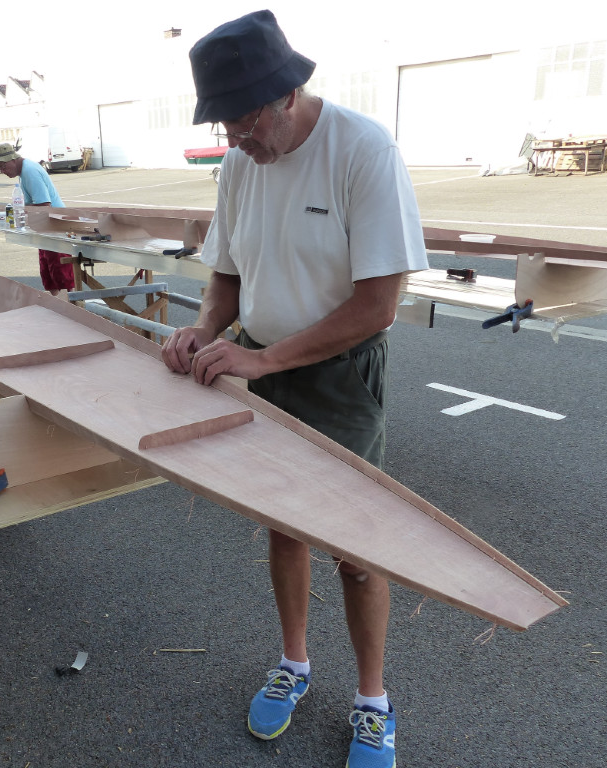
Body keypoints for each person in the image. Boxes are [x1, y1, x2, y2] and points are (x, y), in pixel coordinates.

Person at [160, 10, 428, 768]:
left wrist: (265, 360)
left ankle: (373, 703)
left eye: (242, 122)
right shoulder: (242, 162)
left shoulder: (362, 150)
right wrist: (208, 333)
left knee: (357, 547)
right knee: (283, 525)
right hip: (259, 361)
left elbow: (378, 305)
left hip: (339, 377)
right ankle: (294, 664)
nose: (234, 140)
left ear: (286, 96)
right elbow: (228, 274)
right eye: (224, 126)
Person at [0, 142, 75, 295]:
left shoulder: (30, 172)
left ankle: (71, 304)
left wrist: (19, 212)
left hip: (54, 224)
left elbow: (44, 205)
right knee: (48, 270)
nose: (2, 171)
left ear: (13, 159)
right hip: (44, 225)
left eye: (3, 166)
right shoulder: (24, 172)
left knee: (59, 270)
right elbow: (30, 204)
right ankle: (58, 305)